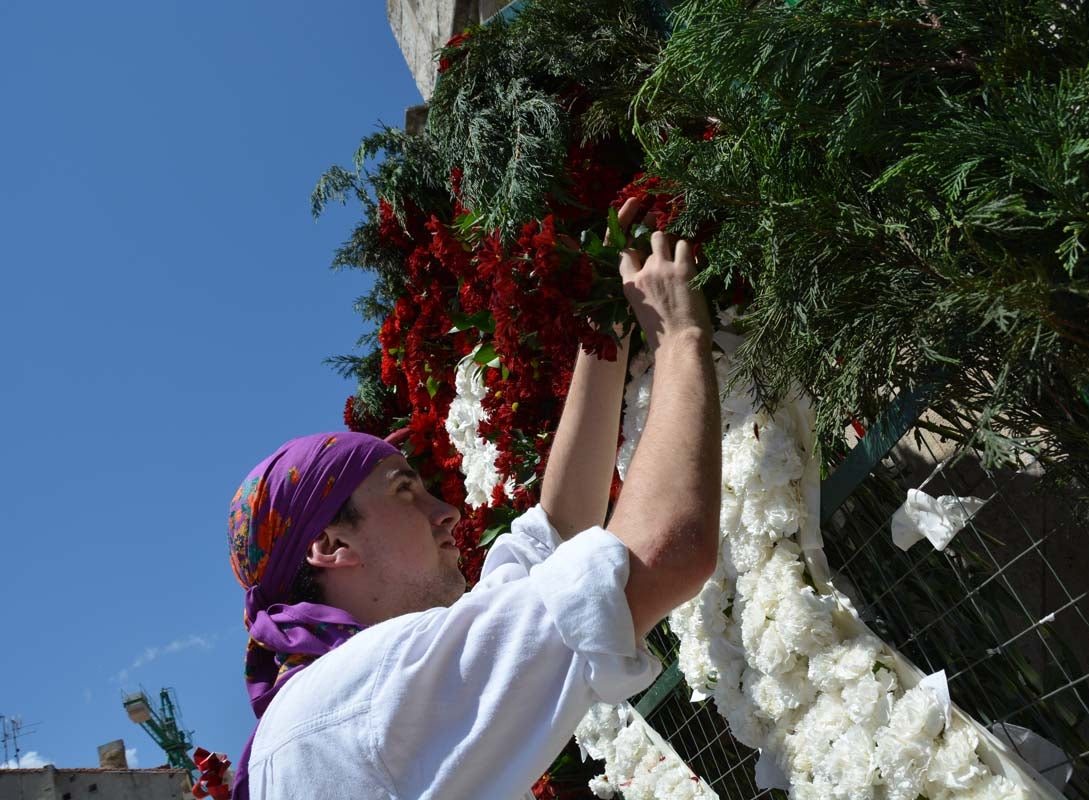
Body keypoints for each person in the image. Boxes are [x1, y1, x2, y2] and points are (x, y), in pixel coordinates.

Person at [224, 198, 721, 799]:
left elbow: (551, 539)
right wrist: (679, 334)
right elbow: (657, 555)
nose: (448, 512)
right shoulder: (364, 695)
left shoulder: (321, 708)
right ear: (331, 545)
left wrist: (606, 323)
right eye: (405, 492)